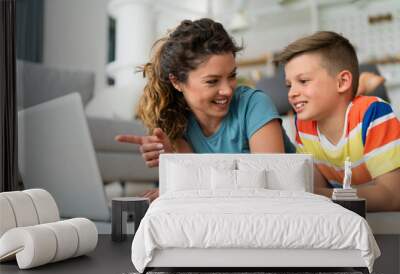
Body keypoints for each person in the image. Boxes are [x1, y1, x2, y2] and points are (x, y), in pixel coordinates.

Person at [116, 18, 294, 201]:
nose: (227, 90)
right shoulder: (177, 121)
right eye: (212, 81)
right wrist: (172, 160)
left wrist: (183, 185)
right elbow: (195, 185)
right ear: (177, 82)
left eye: (232, 76)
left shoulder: (254, 105)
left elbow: (267, 188)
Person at [276, 31, 400, 212]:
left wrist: (318, 196)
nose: (292, 93)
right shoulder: (304, 125)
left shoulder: (373, 113)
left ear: (342, 82)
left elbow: (392, 197)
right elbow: (317, 189)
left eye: (303, 81)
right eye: (289, 85)